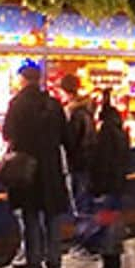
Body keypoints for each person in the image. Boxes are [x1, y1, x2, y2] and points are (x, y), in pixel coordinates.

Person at [2, 62, 71, 268]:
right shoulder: (53, 104)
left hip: (28, 171)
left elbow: (7, 134)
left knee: (31, 221)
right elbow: (66, 138)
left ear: (22, 80)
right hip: (51, 170)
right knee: (52, 222)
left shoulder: (17, 105)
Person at [87, 92, 130, 268]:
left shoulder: (105, 132)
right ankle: (114, 266)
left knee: (106, 226)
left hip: (107, 186)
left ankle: (109, 267)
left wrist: (97, 184)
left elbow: (102, 161)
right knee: (113, 225)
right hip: (117, 185)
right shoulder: (120, 130)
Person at [56, 72, 96, 253]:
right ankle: (90, 242)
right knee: (85, 203)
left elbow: (71, 141)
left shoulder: (74, 112)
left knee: (81, 205)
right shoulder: (86, 110)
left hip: (78, 164)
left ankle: (86, 244)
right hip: (87, 162)